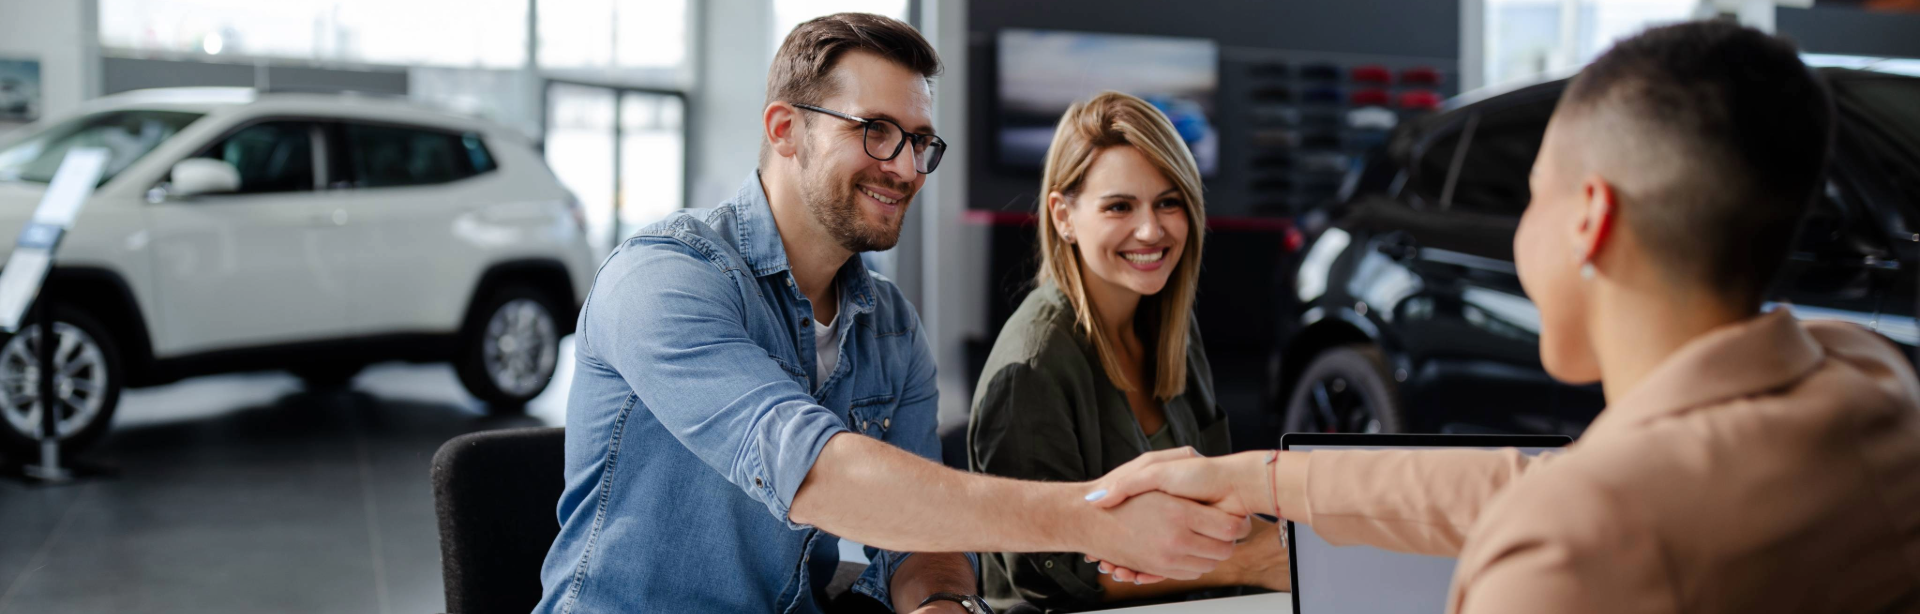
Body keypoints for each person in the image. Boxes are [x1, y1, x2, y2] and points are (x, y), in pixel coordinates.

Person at [1084, 20, 1920, 613]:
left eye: (1529, 198)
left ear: (1590, 219)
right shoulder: (1869, 380)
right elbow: (1544, 483)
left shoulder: (1569, 557)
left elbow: (1570, 508)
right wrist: (1256, 479)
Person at [535, 13, 1249, 614]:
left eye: (917, 141)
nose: (906, 168)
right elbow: (818, 475)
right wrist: (1099, 525)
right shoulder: (665, 278)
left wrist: (941, 602)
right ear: (785, 128)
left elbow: (921, 544)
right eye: (875, 130)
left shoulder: (890, 324)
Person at [968, 92, 1289, 611]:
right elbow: (1049, 580)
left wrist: (1303, 542)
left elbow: (1218, 501)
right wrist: (1254, 561)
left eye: (1169, 201)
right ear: (1063, 216)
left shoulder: (1171, 327)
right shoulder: (1031, 368)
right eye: (1120, 206)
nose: (1152, 230)